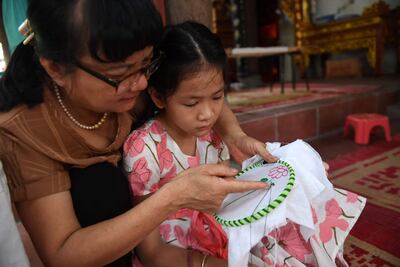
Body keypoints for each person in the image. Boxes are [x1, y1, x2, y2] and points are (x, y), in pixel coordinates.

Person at [0, 1, 276, 266]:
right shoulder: (27, 131)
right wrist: (174, 197)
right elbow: (62, 253)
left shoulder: (129, 70)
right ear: (56, 68)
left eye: (147, 64)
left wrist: (233, 134)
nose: (143, 82)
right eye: (121, 74)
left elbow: (198, 89)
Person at [123, 21, 235, 266]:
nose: (207, 114)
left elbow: (225, 208)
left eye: (217, 97)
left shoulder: (213, 138)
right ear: (158, 97)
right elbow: (151, 252)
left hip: (219, 246)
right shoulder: (144, 149)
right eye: (191, 103)